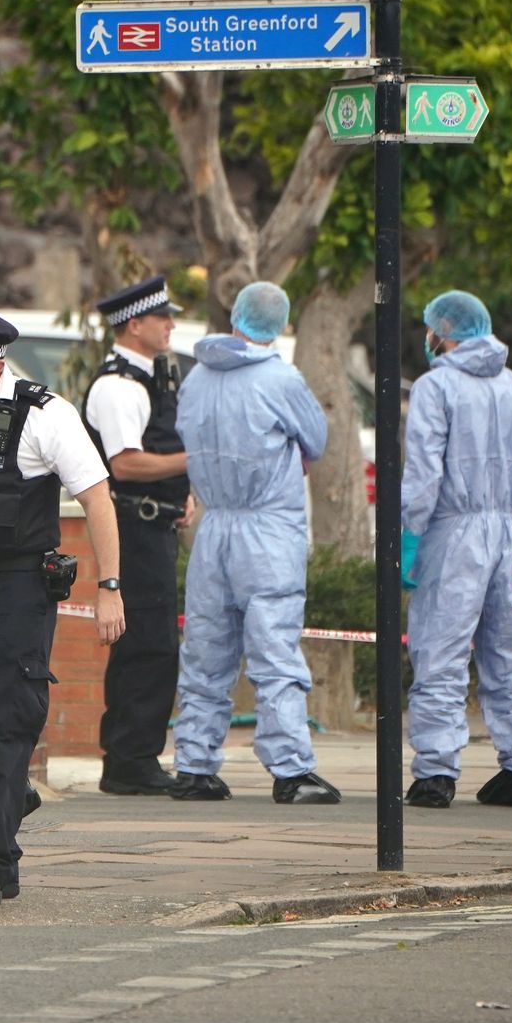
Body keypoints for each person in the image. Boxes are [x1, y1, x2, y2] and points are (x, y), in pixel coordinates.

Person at [0, 310, 125, 906]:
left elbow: (97, 499)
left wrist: (109, 586)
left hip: (18, 588)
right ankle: (3, 825)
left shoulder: (44, 414)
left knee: (5, 720)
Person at [171, 282, 339, 804]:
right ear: (281, 324)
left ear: (237, 315)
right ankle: (291, 770)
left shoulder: (196, 377)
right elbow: (316, 439)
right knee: (274, 651)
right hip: (267, 529)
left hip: (214, 528)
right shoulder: (280, 378)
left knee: (204, 649)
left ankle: (194, 765)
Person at [402, 289, 512, 810]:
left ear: (440, 333)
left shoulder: (435, 386)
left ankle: (436, 772)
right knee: (506, 650)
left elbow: (423, 471)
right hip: (505, 531)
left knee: (439, 649)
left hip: (452, 531)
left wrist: (409, 535)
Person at [83, 275, 193, 795]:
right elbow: (124, 465)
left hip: (155, 524)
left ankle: (135, 755)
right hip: (133, 527)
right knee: (145, 645)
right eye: (162, 316)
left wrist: (180, 492)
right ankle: (128, 759)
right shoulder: (118, 386)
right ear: (134, 323)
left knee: (154, 644)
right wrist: (196, 462)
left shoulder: (150, 378)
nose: (171, 324)